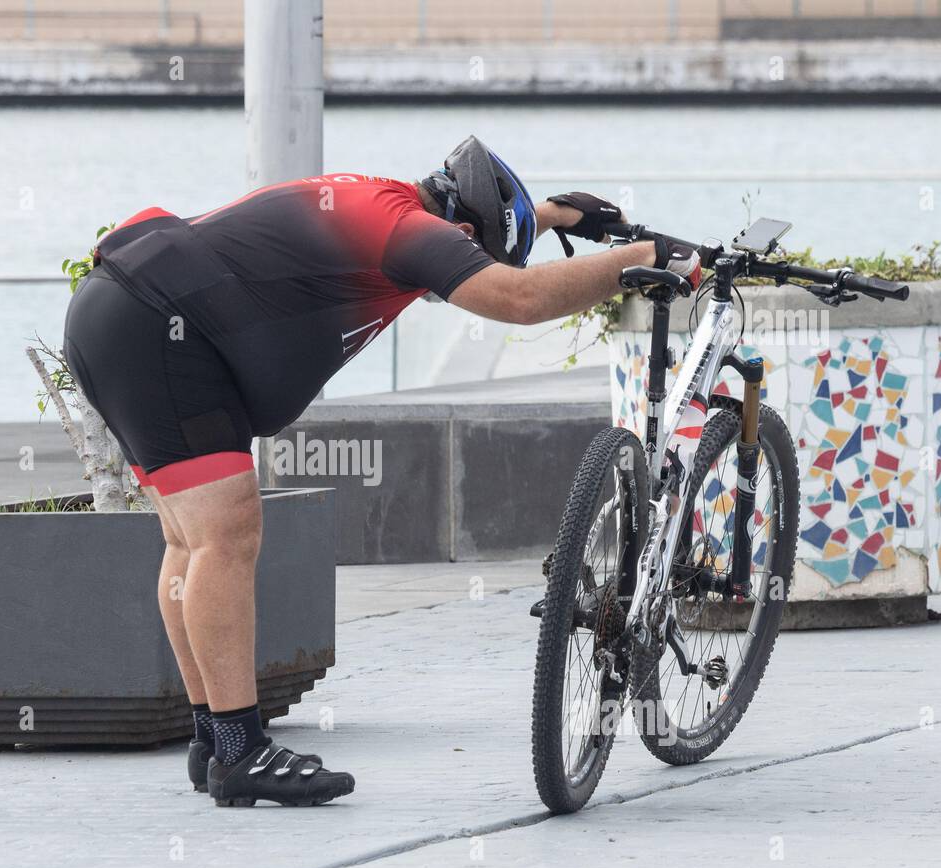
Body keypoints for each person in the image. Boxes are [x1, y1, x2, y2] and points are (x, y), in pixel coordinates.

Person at [62, 136, 701, 808]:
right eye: (468, 255)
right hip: (161, 329)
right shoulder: (404, 228)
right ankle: (239, 753)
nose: (460, 275)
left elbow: (462, 235)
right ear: (456, 232)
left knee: (192, 542)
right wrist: (644, 259)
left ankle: (213, 740)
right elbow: (518, 299)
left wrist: (553, 215)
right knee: (226, 536)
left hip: (116, 314)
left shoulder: (389, 204)